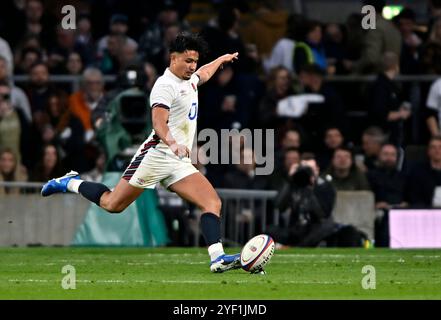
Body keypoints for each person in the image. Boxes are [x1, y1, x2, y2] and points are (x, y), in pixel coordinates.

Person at [41, 33, 241, 273]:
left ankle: (217, 259)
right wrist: (173, 142)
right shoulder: (164, 86)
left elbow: (204, 73)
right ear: (173, 58)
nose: (192, 66)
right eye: (188, 60)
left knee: (211, 202)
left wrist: (221, 59)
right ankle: (70, 182)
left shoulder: (189, 80)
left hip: (178, 162)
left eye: (195, 61)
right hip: (156, 155)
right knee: (113, 204)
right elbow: (158, 123)